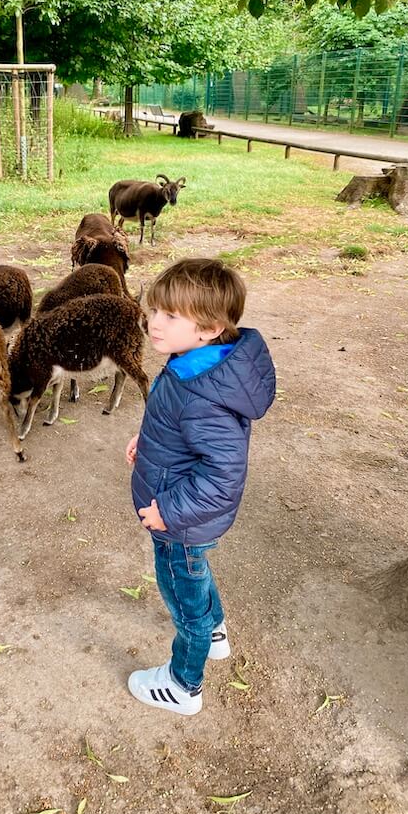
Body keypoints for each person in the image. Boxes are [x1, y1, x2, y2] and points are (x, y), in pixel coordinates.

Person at [125, 258, 276, 715]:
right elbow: (181, 429)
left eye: (170, 317)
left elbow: (222, 476)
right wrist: (148, 438)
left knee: (182, 597)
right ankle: (215, 632)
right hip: (185, 514)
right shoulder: (194, 363)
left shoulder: (199, 392)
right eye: (155, 310)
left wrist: (168, 512)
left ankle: (182, 684)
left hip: (181, 522)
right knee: (196, 575)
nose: (154, 322)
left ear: (209, 329)